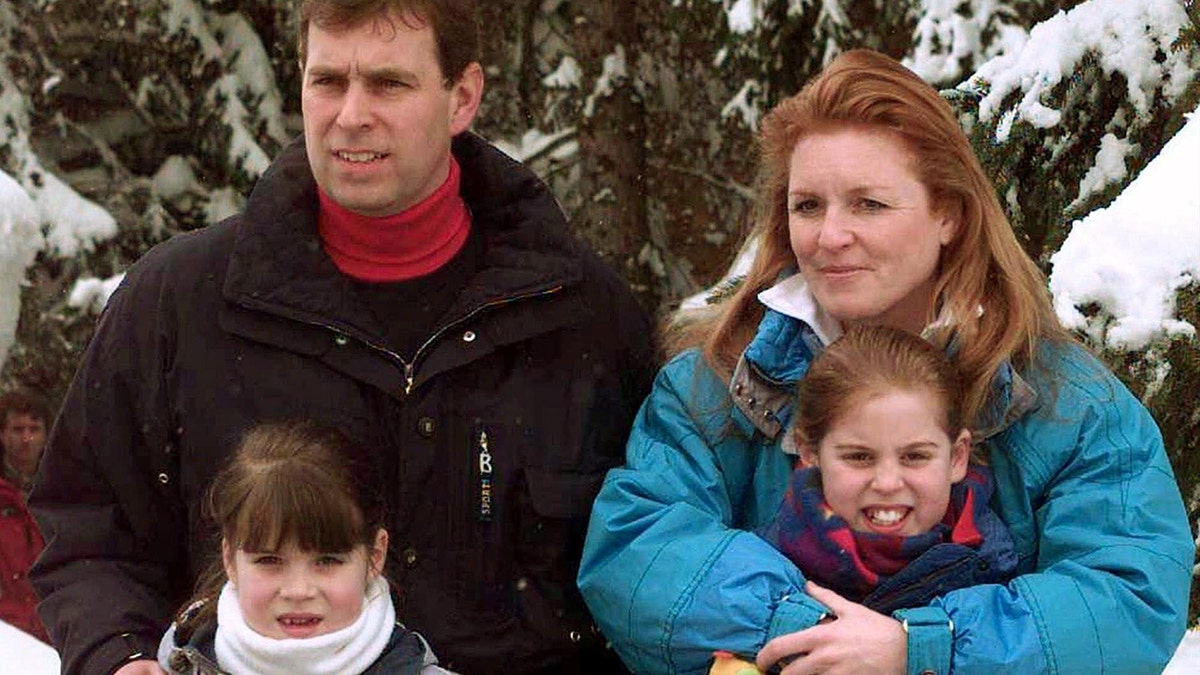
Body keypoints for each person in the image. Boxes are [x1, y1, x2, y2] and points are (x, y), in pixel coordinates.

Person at [29, 1, 655, 674]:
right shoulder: (177, 305)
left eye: (388, 83)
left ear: (463, 96)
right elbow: (88, 535)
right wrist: (117, 655)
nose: (351, 114)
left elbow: (649, 562)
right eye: (328, 81)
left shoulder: (580, 315)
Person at [578, 48, 1193, 675]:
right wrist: (817, 634)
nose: (830, 236)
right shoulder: (713, 383)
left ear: (948, 214)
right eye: (808, 205)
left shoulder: (1067, 401)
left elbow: (1129, 595)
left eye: (869, 204)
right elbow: (638, 552)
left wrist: (923, 649)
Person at [711, 325, 1019, 674]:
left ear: (957, 457)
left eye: (915, 456)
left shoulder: (992, 573)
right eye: (859, 457)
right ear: (810, 452)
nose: (887, 483)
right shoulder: (763, 565)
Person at [157, 420, 451, 675]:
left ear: (375, 557)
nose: (298, 591)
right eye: (269, 560)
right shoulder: (177, 660)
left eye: (327, 560)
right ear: (230, 560)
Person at [0, 388, 50, 643]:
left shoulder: (64, 492)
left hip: (55, 636)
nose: (27, 438)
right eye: (18, 429)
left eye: (34, 428)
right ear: (3, 435)